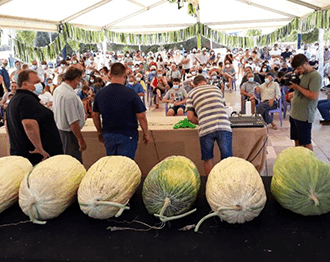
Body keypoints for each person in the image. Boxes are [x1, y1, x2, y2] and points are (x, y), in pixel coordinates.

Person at [92, 62, 149, 160]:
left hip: (108, 134)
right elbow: (141, 116)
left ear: (110, 75)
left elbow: (95, 115)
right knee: (125, 165)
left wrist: (99, 132)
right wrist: (146, 133)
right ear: (124, 75)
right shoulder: (131, 93)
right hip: (128, 134)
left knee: (112, 164)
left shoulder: (100, 93)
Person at [6, 70, 63, 165]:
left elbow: (7, 124)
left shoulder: (15, 100)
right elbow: (29, 124)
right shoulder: (26, 99)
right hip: (36, 156)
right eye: (36, 82)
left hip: (23, 153)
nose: (39, 85)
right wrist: (39, 149)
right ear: (24, 84)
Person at [186, 75, 233, 175]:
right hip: (224, 125)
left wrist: (201, 121)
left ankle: (210, 184)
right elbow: (223, 107)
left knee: (208, 159)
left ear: (194, 85)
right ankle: (227, 184)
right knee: (227, 159)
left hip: (206, 129)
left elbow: (190, 117)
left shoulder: (191, 93)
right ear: (206, 81)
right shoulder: (216, 89)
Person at [53, 67, 87, 163]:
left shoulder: (58, 90)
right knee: (73, 162)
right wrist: (80, 139)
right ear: (76, 79)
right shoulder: (69, 96)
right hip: (70, 134)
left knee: (67, 161)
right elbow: (73, 122)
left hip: (61, 131)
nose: (79, 83)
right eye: (79, 80)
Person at [289, 54, 322, 151]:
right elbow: (302, 90)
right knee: (297, 140)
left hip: (304, 116)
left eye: (299, 68)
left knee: (306, 143)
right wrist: (294, 93)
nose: (298, 71)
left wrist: (297, 87)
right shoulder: (302, 75)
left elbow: (314, 96)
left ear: (306, 63)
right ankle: (300, 162)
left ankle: (310, 164)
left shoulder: (315, 76)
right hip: (294, 114)